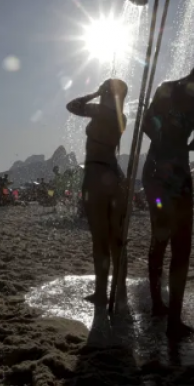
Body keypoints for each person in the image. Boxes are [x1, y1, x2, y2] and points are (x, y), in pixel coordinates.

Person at [142, 54, 194, 339]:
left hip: (177, 174)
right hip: (157, 173)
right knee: (162, 237)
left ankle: (172, 317)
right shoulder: (167, 88)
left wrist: (183, 144)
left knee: (180, 244)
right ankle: (158, 304)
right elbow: (146, 125)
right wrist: (172, 143)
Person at [66, 78, 129, 305]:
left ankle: (102, 292)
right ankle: (119, 289)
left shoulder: (98, 111)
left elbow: (72, 106)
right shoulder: (122, 117)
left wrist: (94, 93)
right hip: (115, 176)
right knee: (117, 239)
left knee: (100, 239)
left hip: (95, 175)